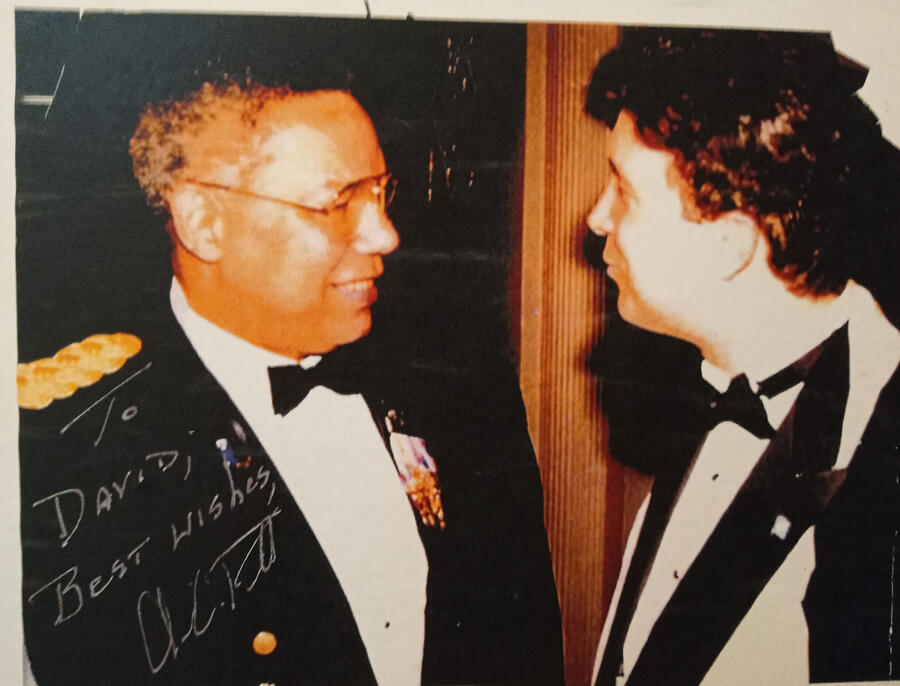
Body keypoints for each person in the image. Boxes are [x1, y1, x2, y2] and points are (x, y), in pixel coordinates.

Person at [19, 80, 563, 685]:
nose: (385, 234)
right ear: (204, 223)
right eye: (338, 202)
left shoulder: (460, 380)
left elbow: (525, 648)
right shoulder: (66, 455)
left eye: (383, 192)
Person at [584, 29, 900, 685]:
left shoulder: (879, 441)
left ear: (730, 245)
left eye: (624, 190)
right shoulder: (707, 386)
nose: (595, 218)